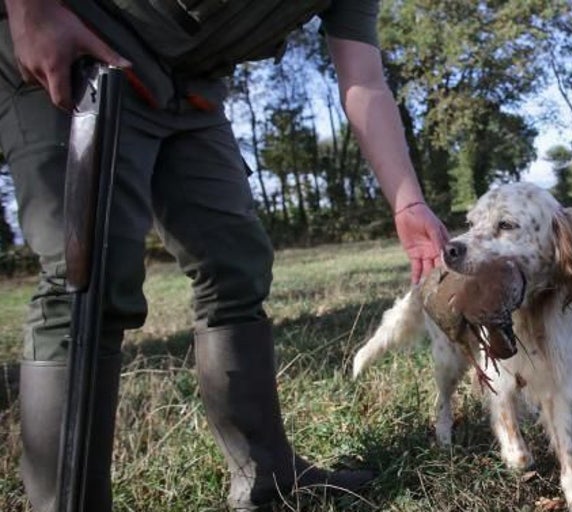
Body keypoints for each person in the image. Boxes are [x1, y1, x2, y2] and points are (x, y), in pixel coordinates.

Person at [0, 0, 449, 510]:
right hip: (78, 35)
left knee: (235, 263)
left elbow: (365, 81)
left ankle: (268, 480)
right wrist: (31, 12)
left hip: (187, 85)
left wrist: (406, 201)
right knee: (87, 271)